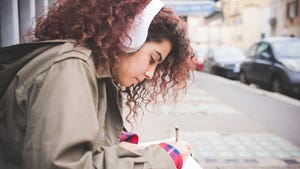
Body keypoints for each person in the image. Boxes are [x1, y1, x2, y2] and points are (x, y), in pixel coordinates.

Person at [0, 0, 195, 168]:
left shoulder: (90, 70)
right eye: (152, 59)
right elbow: (62, 165)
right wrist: (161, 159)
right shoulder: (71, 67)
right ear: (130, 36)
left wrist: (120, 149)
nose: (150, 74)